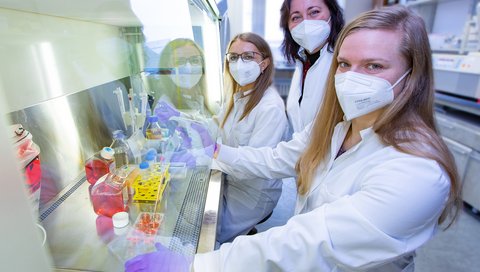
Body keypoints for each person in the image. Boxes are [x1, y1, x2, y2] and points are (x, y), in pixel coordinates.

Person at [124, 5, 462, 271]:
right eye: (344, 64)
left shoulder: (417, 171)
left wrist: (199, 264)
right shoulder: (335, 129)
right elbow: (275, 159)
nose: (352, 78)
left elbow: (312, 242)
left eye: (374, 66)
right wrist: (213, 150)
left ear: (412, 74)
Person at [214, 32, 288, 244]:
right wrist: (183, 120)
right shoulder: (237, 94)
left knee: (212, 235)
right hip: (232, 180)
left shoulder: (269, 107)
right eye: (234, 57)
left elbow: (253, 166)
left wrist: (210, 156)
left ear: (264, 63)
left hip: (253, 192)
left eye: (248, 56)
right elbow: (217, 123)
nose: (239, 63)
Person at [280, 0, 344, 136]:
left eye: (314, 12)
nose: (305, 24)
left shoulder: (344, 64)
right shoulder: (303, 62)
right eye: (296, 17)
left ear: (332, 14)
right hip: (302, 154)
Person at [149, 38, 211, 117]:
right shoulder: (165, 109)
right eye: (180, 62)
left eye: (195, 60)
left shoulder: (207, 101)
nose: (189, 68)